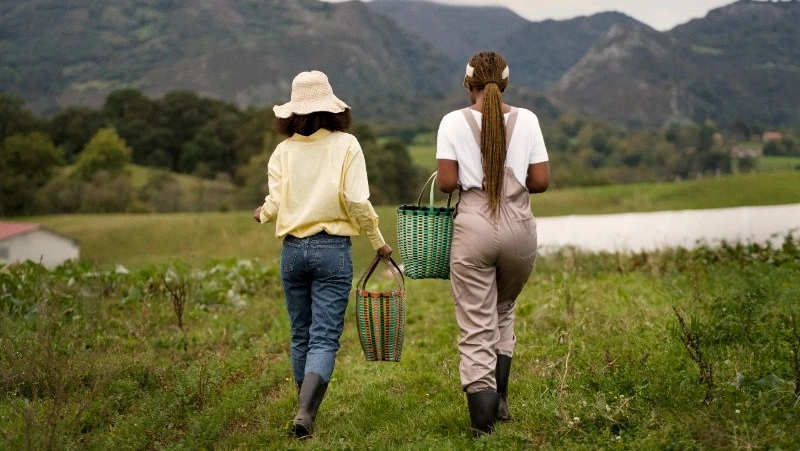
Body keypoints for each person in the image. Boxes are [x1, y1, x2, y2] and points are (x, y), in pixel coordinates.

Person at [253, 70, 392, 439]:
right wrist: (377, 240)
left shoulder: (283, 151)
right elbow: (356, 200)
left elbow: (276, 199)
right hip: (332, 249)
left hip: (293, 251)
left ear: (292, 113)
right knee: (324, 336)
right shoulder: (347, 145)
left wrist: (264, 213)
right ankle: (304, 413)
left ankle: (303, 408)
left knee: (301, 332)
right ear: (334, 110)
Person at [435, 51, 549, 436]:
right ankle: (499, 404)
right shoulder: (528, 120)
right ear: (504, 85)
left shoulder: (453, 122)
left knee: (476, 323)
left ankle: (482, 427)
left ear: (468, 86)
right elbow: (541, 181)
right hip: (519, 228)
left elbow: (448, 183)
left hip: (474, 228)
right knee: (503, 308)